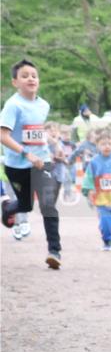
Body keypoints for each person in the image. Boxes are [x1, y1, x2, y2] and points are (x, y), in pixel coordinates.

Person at [0, 60, 63, 268]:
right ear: (15, 82)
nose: (31, 79)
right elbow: (3, 135)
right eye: (25, 76)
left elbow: (37, 130)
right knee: (26, 205)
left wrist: (54, 144)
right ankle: (8, 208)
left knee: (48, 205)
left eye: (34, 76)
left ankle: (54, 252)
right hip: (17, 165)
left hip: (42, 162)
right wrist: (26, 154)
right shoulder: (13, 105)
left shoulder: (43, 105)